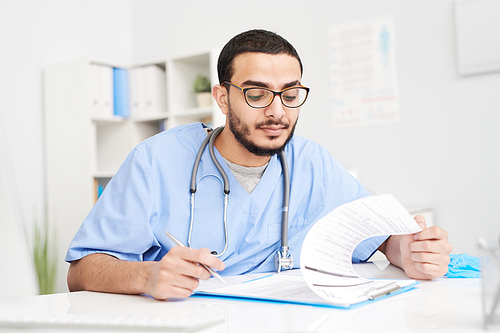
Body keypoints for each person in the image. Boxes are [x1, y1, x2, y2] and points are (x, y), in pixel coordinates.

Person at [66, 29, 452, 300]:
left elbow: (380, 236)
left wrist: (407, 250)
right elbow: (80, 271)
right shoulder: (155, 161)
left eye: (290, 94)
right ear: (222, 97)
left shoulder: (310, 162)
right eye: (256, 94)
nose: (276, 112)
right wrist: (146, 276)